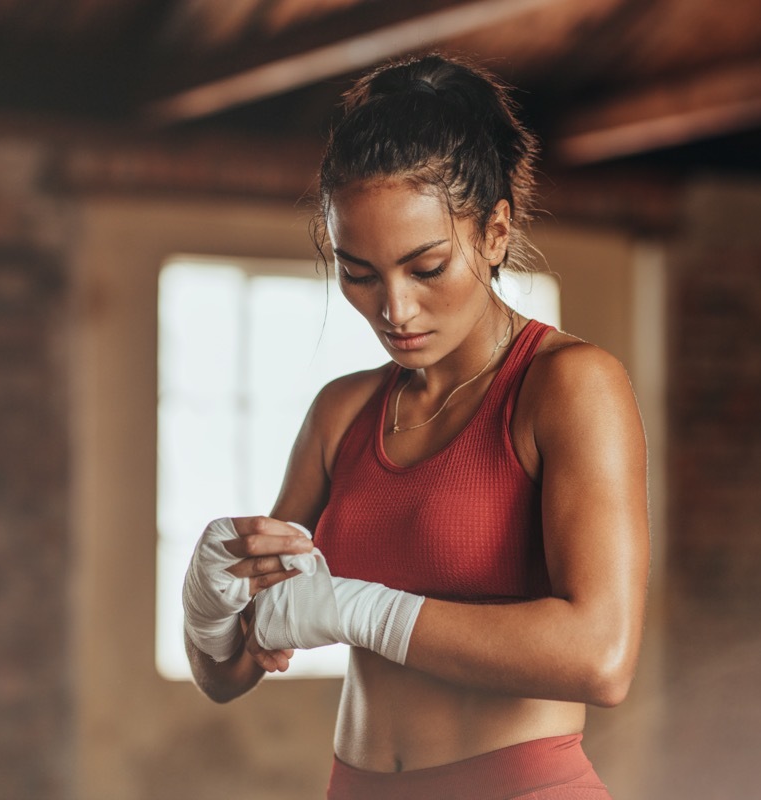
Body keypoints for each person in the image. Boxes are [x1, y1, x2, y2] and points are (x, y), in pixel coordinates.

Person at [181, 52, 650, 799]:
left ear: (495, 233)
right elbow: (230, 671)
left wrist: (360, 609)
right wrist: (206, 607)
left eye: (425, 268)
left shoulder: (567, 385)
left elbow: (602, 658)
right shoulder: (342, 412)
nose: (394, 310)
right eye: (360, 273)